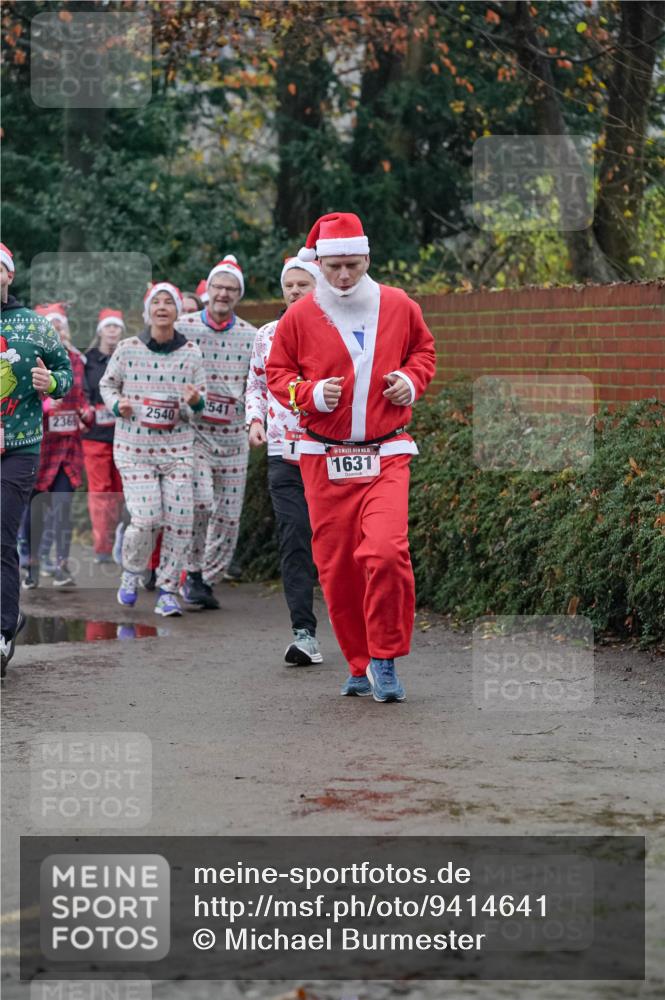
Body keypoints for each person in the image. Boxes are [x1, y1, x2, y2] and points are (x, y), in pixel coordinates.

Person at [266, 213, 436, 703]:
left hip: (386, 452)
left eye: (353, 265)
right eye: (335, 266)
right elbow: (278, 374)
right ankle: (359, 664)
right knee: (337, 566)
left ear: (367, 258)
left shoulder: (399, 305)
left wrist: (411, 381)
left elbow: (423, 353)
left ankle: (384, 657)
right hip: (324, 457)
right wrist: (310, 394)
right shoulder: (299, 316)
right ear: (319, 263)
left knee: (385, 551)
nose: (344, 276)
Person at [100, 282, 206, 617]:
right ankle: (132, 571)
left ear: (177, 312)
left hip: (177, 450)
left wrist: (194, 402)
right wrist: (119, 406)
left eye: (169, 302)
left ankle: (168, 589)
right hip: (135, 448)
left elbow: (199, 405)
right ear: (148, 311)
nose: (162, 307)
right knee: (147, 519)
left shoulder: (191, 352)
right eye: (156, 302)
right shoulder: (129, 348)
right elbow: (107, 384)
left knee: (179, 520)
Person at [245, 251, 323, 665]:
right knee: (294, 538)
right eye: (289, 285)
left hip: (328, 452)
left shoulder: (334, 330)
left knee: (332, 544)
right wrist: (254, 422)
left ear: (318, 287)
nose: (294, 291)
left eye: (303, 284)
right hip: (282, 451)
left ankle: (358, 634)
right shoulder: (266, 334)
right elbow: (256, 385)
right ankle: (304, 633)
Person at [0, 244, 73, 676]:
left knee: (1, 539)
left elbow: (65, 371)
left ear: (9, 276)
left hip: (19, 448)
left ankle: (4, 631)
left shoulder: (34, 325)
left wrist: (52, 380)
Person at [175, 255, 256, 610]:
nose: (223, 293)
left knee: (228, 514)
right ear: (208, 290)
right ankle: (191, 571)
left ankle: (205, 580)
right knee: (202, 502)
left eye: (231, 289)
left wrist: (256, 419)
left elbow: (259, 385)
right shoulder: (185, 327)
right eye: (218, 287)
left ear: (239, 295)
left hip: (234, 436)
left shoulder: (252, 336)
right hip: (194, 433)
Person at [22, 303, 93, 590]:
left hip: (69, 448)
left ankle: (62, 566)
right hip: (39, 446)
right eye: (51, 325)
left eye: (60, 325)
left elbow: (84, 395)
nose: (57, 330)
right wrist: (48, 406)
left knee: (63, 507)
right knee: (35, 509)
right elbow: (18, 402)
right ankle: (31, 565)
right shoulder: (30, 357)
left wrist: (87, 413)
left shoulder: (77, 359)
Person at [82, 309, 125, 563]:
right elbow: (82, 392)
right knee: (101, 492)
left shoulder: (126, 357)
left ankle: (121, 538)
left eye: (116, 327)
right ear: (100, 330)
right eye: (108, 327)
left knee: (121, 492)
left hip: (123, 435)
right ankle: (102, 546)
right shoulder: (87, 361)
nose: (112, 331)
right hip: (95, 437)